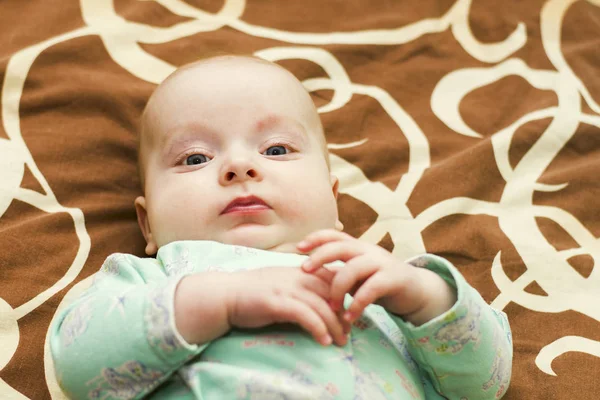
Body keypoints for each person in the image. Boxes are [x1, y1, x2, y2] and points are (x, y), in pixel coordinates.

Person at [50, 55, 513, 400]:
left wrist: (424, 296)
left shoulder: (373, 283)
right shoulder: (155, 281)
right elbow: (78, 364)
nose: (238, 166)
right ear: (147, 223)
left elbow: (486, 382)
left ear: (333, 201)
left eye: (275, 150)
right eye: (195, 158)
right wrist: (219, 301)